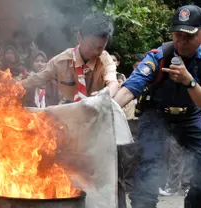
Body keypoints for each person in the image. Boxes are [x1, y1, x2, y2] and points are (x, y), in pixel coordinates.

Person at [114, 5, 201, 208]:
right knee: (150, 168)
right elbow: (130, 89)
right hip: (156, 115)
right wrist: (109, 109)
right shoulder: (158, 55)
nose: (181, 42)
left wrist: (188, 81)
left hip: (191, 117)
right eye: (177, 35)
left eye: (188, 36)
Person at [20, 13, 124, 207]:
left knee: (111, 176)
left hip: (97, 126)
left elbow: (113, 83)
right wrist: (9, 89)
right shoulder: (61, 61)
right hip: (70, 128)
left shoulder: (105, 60)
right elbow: (35, 80)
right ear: (79, 37)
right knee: (68, 174)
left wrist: (102, 96)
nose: (96, 51)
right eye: (92, 45)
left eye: (101, 47)